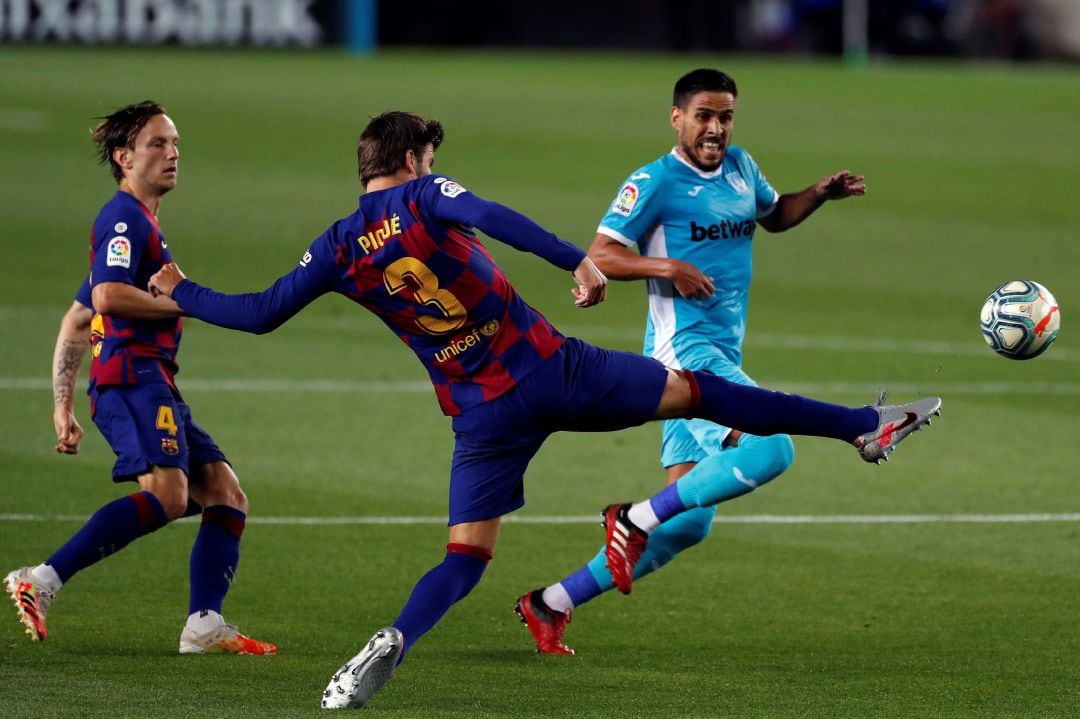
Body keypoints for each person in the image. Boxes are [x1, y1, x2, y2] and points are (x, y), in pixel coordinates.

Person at [145, 110, 939, 709]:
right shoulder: (429, 193)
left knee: (464, 557)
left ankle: (393, 638)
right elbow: (497, 220)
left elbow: (257, 312)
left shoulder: (339, 243)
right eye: (430, 155)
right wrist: (582, 266)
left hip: (479, 418)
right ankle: (860, 426)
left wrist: (183, 292)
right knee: (699, 390)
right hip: (553, 370)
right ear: (413, 159)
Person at [514, 67, 869, 654]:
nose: (715, 128)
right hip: (686, 355)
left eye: (725, 116)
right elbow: (601, 255)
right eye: (704, 115)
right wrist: (668, 267)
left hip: (718, 354)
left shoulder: (741, 167)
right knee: (773, 445)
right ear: (677, 117)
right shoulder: (654, 181)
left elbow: (773, 214)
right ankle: (629, 520)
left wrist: (818, 195)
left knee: (688, 523)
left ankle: (550, 602)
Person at [4, 101, 275, 656]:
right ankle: (41, 578)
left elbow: (79, 316)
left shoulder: (139, 222)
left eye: (175, 143)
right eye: (158, 143)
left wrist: (62, 405)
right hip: (132, 378)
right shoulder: (124, 219)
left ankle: (203, 624)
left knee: (225, 492)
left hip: (149, 380)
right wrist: (183, 299)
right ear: (124, 157)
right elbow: (107, 297)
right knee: (170, 495)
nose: (173, 153)